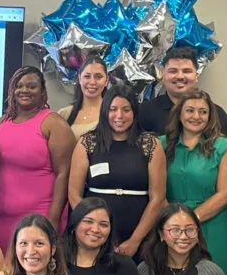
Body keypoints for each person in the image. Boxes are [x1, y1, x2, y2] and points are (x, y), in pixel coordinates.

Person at [69, 87, 167, 259]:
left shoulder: (151, 144)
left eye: (126, 110)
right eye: (113, 109)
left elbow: (157, 198)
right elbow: (73, 194)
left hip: (141, 232)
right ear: (105, 111)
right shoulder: (87, 142)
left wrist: (135, 240)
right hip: (95, 234)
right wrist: (92, 227)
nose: (119, 116)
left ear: (135, 112)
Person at [0, 66, 73, 250]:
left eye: (31, 86)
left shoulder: (54, 124)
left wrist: (53, 220)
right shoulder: (3, 121)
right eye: (19, 86)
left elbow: (63, 174)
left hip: (36, 221)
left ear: (42, 92)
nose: (24, 90)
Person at [161, 90, 227, 275]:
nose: (196, 116)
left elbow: (225, 194)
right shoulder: (161, 145)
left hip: (212, 225)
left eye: (203, 112)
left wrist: (190, 220)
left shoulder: (223, 147)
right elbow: (155, 189)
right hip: (171, 225)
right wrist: (175, 223)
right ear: (179, 114)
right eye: (190, 110)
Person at [137, 46, 227, 150]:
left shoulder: (215, 113)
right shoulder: (145, 112)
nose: (180, 76)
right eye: (173, 71)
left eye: (186, 71)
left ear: (196, 75)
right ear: (163, 74)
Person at [57, 56, 108, 138]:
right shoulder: (63, 114)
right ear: (79, 78)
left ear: (106, 80)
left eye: (98, 77)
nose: (92, 82)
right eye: (87, 76)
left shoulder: (112, 114)